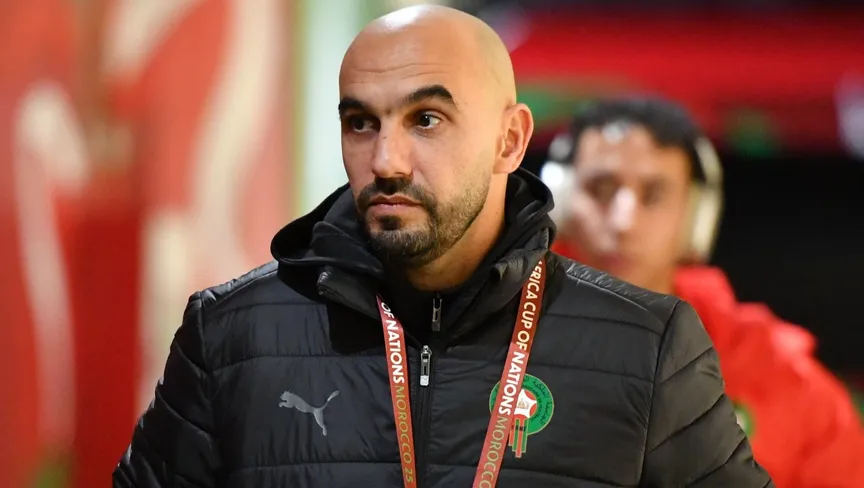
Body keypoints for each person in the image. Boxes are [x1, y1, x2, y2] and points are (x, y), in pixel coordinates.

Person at [114, 7, 772, 488]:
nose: (386, 160)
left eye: (426, 119)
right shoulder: (231, 335)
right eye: (361, 122)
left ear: (509, 142)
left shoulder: (645, 345)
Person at [542, 96, 864, 487]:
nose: (624, 221)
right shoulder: (495, 333)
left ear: (695, 217)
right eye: (602, 188)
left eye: (654, 194)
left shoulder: (775, 370)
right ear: (560, 204)